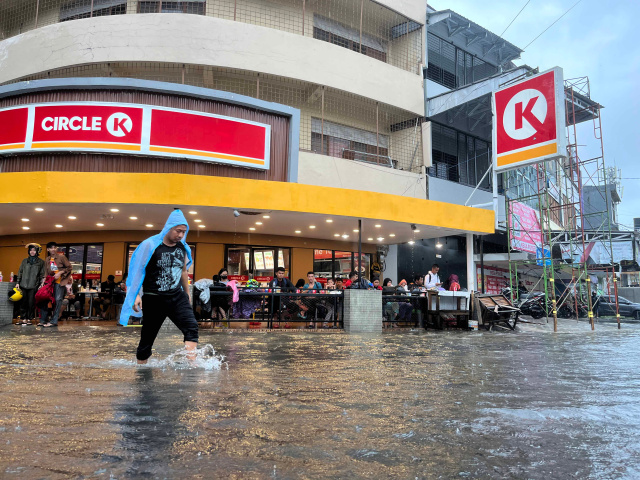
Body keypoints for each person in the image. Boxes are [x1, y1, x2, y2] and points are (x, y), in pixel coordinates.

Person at [119, 209, 199, 365]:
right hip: (154, 298)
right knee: (148, 337)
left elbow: (183, 271)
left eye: (184, 232)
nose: (181, 235)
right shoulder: (151, 245)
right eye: (178, 231)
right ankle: (141, 366)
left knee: (191, 326)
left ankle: (193, 365)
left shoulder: (182, 247)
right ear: (169, 227)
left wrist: (187, 293)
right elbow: (137, 271)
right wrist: (135, 295)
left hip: (177, 296)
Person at [40, 241, 73, 327]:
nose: (53, 249)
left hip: (60, 282)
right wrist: (43, 281)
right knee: (46, 300)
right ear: (48, 249)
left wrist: (60, 272)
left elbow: (69, 267)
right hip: (50, 283)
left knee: (58, 300)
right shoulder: (47, 259)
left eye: (55, 247)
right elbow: (46, 272)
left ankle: (54, 321)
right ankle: (44, 320)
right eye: (51, 248)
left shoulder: (62, 257)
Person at [16, 243, 45, 326]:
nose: (32, 252)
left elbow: (42, 274)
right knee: (23, 302)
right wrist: (18, 282)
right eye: (31, 250)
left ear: (37, 251)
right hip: (23, 284)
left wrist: (40, 284)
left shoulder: (41, 262)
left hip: (33, 285)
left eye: (34, 250)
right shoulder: (24, 261)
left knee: (31, 303)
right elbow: (20, 272)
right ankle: (22, 318)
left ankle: (29, 318)